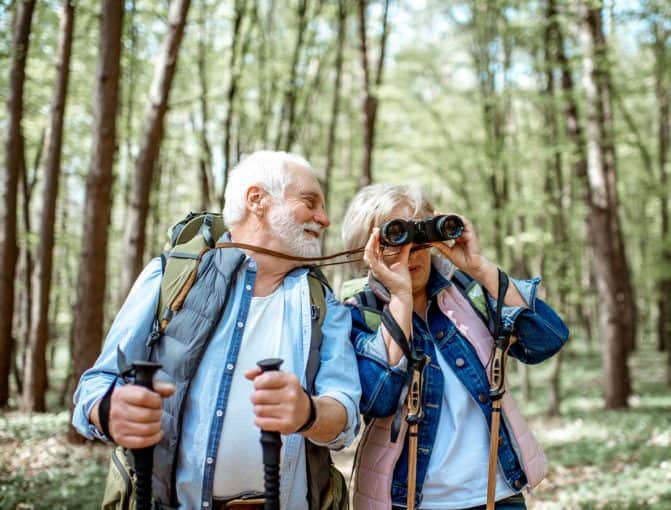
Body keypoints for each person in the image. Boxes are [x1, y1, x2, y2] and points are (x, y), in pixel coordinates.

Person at [72, 150, 361, 510]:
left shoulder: (323, 302)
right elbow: (94, 387)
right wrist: (109, 410)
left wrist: (308, 412)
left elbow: (345, 417)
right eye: (310, 202)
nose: (325, 218)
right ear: (257, 199)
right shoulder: (170, 276)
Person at [341, 184, 569, 510]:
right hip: (410, 500)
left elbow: (546, 340)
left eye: (419, 234)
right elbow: (377, 398)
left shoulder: (468, 293)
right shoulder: (359, 313)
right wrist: (401, 300)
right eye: (396, 237)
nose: (411, 251)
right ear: (366, 250)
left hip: (497, 495)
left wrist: (480, 268)